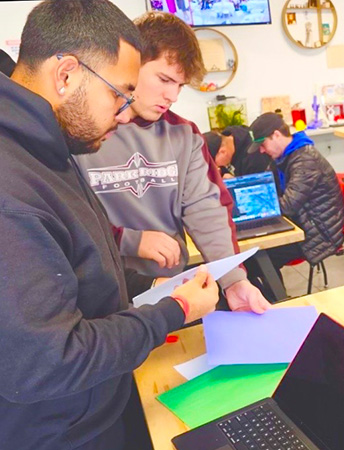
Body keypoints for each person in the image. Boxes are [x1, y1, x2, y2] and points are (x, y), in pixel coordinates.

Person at [0, 1, 221, 449]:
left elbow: (84, 269)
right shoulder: (14, 188)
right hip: (64, 432)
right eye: (119, 94)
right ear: (66, 75)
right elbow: (50, 361)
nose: (124, 114)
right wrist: (171, 312)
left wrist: (153, 286)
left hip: (104, 400)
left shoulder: (52, 146)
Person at [75, 12, 270, 314]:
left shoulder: (184, 134)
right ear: (131, 62)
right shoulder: (83, 131)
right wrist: (128, 240)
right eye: (164, 79)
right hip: (102, 297)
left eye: (180, 86)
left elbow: (207, 210)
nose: (172, 96)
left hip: (171, 294)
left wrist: (233, 281)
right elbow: (66, 217)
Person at [247, 112, 344, 280]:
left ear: (276, 135)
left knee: (258, 260)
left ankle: (276, 301)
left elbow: (288, 206)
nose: (262, 151)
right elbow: (265, 187)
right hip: (303, 222)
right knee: (254, 256)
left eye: (263, 144)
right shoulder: (284, 156)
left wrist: (251, 205)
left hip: (318, 232)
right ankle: (273, 299)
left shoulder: (305, 160)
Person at [203, 125, 272, 178]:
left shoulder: (253, 158)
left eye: (215, 165)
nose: (216, 167)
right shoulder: (228, 136)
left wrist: (236, 183)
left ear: (222, 152)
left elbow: (255, 191)